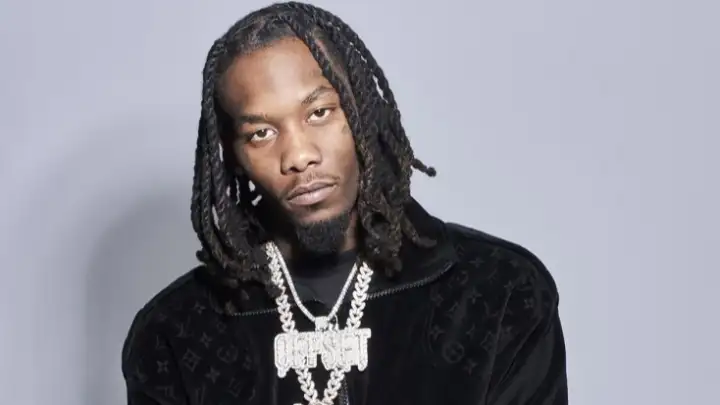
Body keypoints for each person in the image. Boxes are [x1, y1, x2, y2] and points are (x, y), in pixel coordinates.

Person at [121, 2, 568, 404]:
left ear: (361, 113)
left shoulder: (500, 293)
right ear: (233, 156)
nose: (299, 156)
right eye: (261, 133)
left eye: (319, 113)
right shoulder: (174, 333)